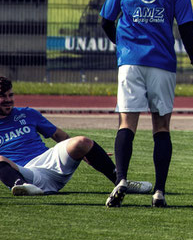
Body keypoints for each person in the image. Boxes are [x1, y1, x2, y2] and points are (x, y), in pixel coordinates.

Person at [100, 0, 193, 208]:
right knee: (161, 127)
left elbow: (105, 21)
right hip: (162, 65)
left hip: (130, 63)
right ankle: (159, 191)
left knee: (127, 123)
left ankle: (121, 178)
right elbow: (186, 29)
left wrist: (123, 45)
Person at [0, 77, 152, 196]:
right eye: (2, 96)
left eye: (10, 95)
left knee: (82, 141)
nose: (8, 99)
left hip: (48, 162)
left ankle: (121, 182)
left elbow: (59, 135)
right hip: (22, 172)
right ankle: (21, 187)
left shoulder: (28, 113)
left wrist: (88, 154)